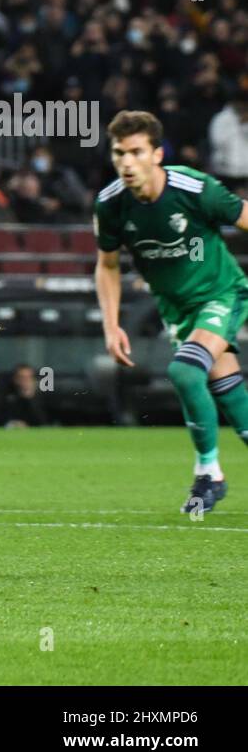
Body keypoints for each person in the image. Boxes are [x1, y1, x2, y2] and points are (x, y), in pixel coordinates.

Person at [94, 110, 248, 512]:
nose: (126, 162)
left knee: (183, 370)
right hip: (177, 309)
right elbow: (107, 265)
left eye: (136, 152)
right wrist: (111, 326)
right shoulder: (110, 204)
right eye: (119, 153)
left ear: (157, 154)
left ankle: (208, 474)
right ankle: (210, 473)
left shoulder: (195, 189)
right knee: (228, 394)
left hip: (222, 293)